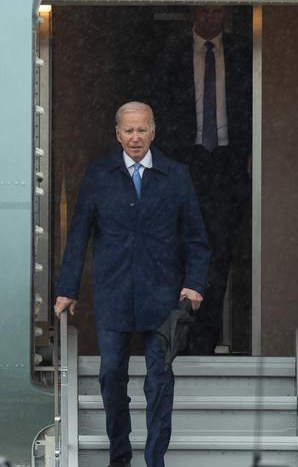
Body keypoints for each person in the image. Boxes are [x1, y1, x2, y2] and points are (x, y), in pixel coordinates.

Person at [54, 101, 210, 467]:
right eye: (129, 130)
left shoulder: (176, 175)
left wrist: (195, 283)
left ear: (154, 131)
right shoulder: (98, 176)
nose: (135, 138)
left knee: (159, 379)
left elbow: (196, 238)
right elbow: (79, 234)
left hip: (163, 295)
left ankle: (155, 460)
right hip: (113, 293)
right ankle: (119, 457)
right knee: (111, 375)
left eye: (142, 130)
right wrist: (67, 288)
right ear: (117, 133)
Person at [149, 6, 252, 355]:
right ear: (194, 10)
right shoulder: (169, 52)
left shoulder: (242, 51)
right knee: (177, 248)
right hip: (183, 161)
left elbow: (253, 107)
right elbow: (156, 108)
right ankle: (176, 338)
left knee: (219, 253)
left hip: (227, 163)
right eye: (205, 9)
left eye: (218, 10)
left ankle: (205, 342)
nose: (211, 16)